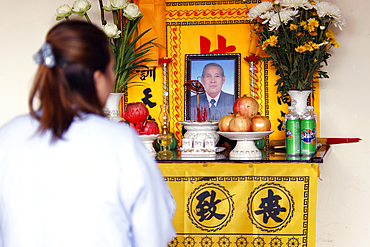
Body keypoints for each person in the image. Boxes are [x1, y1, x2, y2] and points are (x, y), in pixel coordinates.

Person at [0, 21, 176, 247]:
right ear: (97, 78)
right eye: (111, 70)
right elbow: (154, 232)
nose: (113, 78)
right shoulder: (120, 142)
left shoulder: (7, 137)